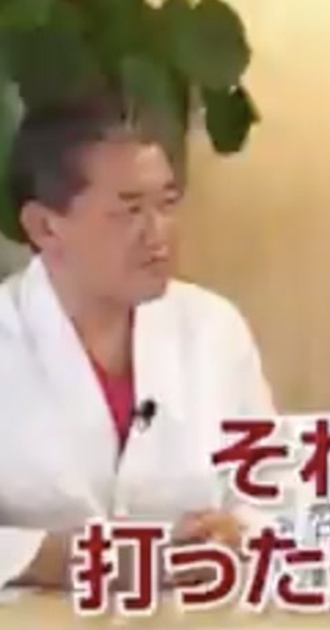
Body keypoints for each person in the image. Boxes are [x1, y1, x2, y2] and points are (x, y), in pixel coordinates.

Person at [0, 95, 276, 590]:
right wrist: (62, 559)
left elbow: (271, 493)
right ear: (45, 226)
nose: (158, 234)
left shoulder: (212, 328)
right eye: (128, 211)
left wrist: (236, 534)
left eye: (166, 205)